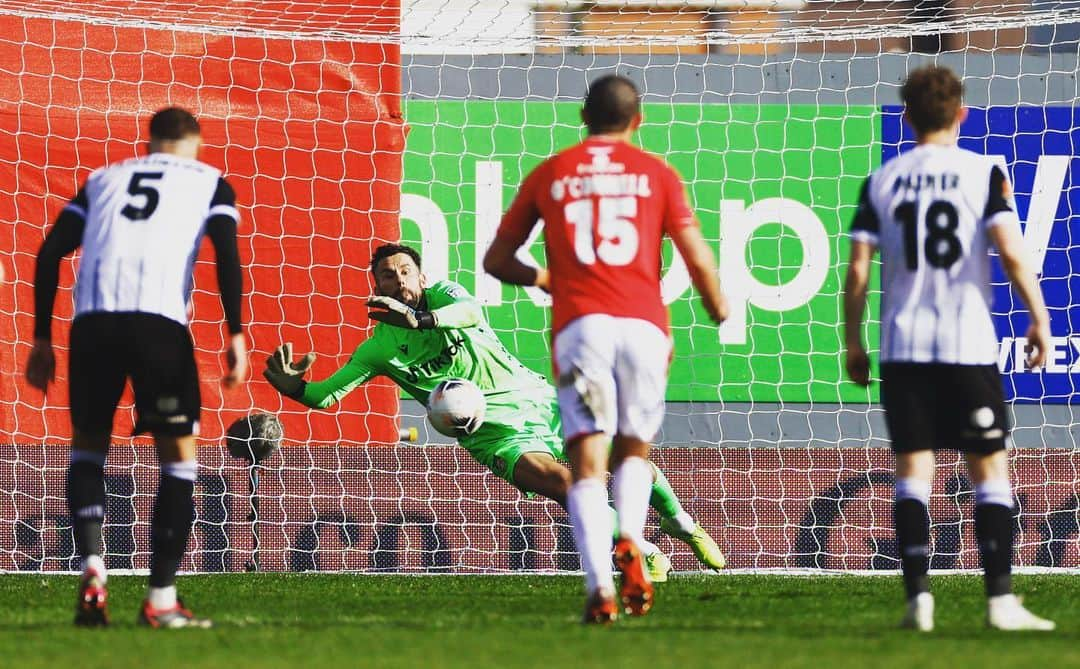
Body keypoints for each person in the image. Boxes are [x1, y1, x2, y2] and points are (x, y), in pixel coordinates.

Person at [263, 243, 725, 583]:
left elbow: (467, 311)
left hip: (539, 400)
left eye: (405, 271)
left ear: (421, 279)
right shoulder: (379, 348)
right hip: (492, 435)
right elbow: (327, 396)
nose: (399, 280)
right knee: (565, 486)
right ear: (376, 287)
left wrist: (423, 321)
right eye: (387, 275)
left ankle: (682, 523)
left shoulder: (444, 296)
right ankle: (640, 550)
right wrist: (294, 388)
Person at [483, 75, 728, 623]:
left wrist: (546, 276)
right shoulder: (657, 174)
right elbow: (696, 254)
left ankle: (601, 585)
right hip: (642, 326)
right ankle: (631, 536)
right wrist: (718, 304)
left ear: (582, 117)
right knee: (634, 451)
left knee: (587, 465)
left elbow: (497, 261)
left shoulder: (551, 174)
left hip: (581, 328)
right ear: (637, 121)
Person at [844, 65, 1054, 632]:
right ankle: (1000, 602)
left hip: (903, 348)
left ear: (906, 116)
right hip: (966, 346)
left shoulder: (881, 181)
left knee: (913, 471)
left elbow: (858, 272)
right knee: (989, 469)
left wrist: (853, 342)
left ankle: (918, 600)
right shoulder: (984, 173)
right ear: (961, 113)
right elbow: (1011, 254)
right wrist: (1038, 318)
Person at [26, 107, 248, 628]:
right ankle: (161, 601)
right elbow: (226, 251)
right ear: (193, 142)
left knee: (88, 448)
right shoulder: (209, 181)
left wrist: (41, 337)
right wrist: (235, 333)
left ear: (149, 143)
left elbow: (51, 250)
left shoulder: (103, 179)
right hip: (158, 325)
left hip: (93, 325)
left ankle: (94, 566)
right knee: (178, 460)